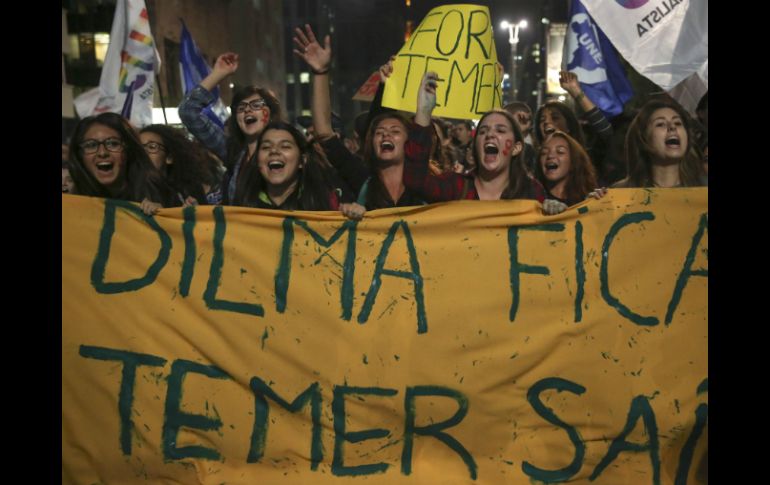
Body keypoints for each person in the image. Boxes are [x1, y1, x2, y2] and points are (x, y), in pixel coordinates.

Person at [293, 25, 425, 220]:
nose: (385, 135)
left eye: (395, 131)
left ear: (410, 141)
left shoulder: (425, 185)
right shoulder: (362, 179)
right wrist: (320, 72)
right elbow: (324, 133)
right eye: (379, 132)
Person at [403, 72, 558, 211]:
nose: (490, 134)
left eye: (500, 130)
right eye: (483, 131)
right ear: (476, 145)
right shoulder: (456, 187)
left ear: (516, 148)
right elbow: (415, 181)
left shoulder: (530, 191)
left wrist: (553, 211)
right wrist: (423, 112)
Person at [178, 52, 281, 206]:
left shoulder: (286, 153)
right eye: (241, 107)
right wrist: (218, 74)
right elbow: (188, 111)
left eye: (256, 105)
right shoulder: (233, 150)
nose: (247, 110)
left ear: (271, 114)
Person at [67, 112, 174, 214]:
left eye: (113, 144)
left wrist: (162, 217)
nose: (102, 153)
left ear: (129, 150)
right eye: (91, 145)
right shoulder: (71, 202)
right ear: (79, 155)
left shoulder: (163, 194)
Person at [239, 121, 349, 210]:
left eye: (285, 146)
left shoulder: (325, 203)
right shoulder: (241, 206)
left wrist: (354, 215)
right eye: (266, 147)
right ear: (257, 160)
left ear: (302, 161)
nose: (274, 151)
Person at [613, 99, 707, 188]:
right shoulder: (620, 192)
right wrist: (600, 199)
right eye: (660, 124)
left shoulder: (704, 188)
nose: (672, 127)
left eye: (678, 123)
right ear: (642, 138)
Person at [139, 124, 225, 206]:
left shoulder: (189, 189)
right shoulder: (129, 187)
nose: (143, 152)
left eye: (152, 147)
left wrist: (163, 213)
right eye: (139, 147)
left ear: (169, 157)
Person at [536, 131, 605, 206]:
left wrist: (592, 205)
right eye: (544, 153)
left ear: (573, 161)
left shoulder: (587, 198)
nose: (550, 156)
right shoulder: (531, 197)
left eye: (560, 152)